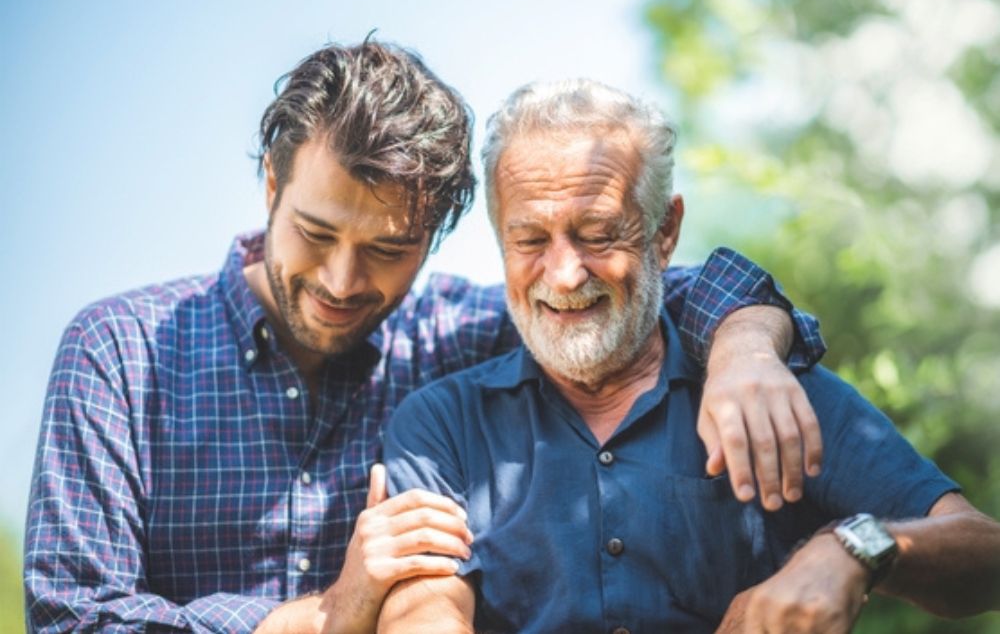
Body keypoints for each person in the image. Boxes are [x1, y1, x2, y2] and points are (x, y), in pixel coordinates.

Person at [23, 41, 825, 634]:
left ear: (437, 236)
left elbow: (632, 291)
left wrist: (746, 345)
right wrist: (318, 618)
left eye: (386, 251)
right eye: (313, 233)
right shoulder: (119, 353)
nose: (342, 282)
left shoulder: (458, 335)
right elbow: (70, 620)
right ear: (271, 184)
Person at [379, 79, 1000, 633]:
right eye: (530, 240)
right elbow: (423, 610)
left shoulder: (767, 389)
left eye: (598, 234)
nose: (564, 274)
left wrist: (852, 547)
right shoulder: (441, 424)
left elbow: (984, 554)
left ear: (665, 232)